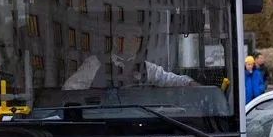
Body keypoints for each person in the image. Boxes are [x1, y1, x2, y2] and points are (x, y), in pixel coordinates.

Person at [62, 53, 195, 90]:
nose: (130, 42)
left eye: (135, 37)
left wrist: (190, 83)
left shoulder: (145, 67)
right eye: (125, 36)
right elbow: (70, 89)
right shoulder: (95, 62)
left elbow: (168, 79)